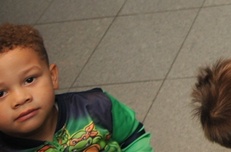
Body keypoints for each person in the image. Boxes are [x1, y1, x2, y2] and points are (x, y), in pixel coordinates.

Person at [0, 23, 152, 151]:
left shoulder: (95, 106)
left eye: (29, 80)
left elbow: (133, 137)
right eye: (1, 93)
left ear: (53, 77)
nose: (20, 98)